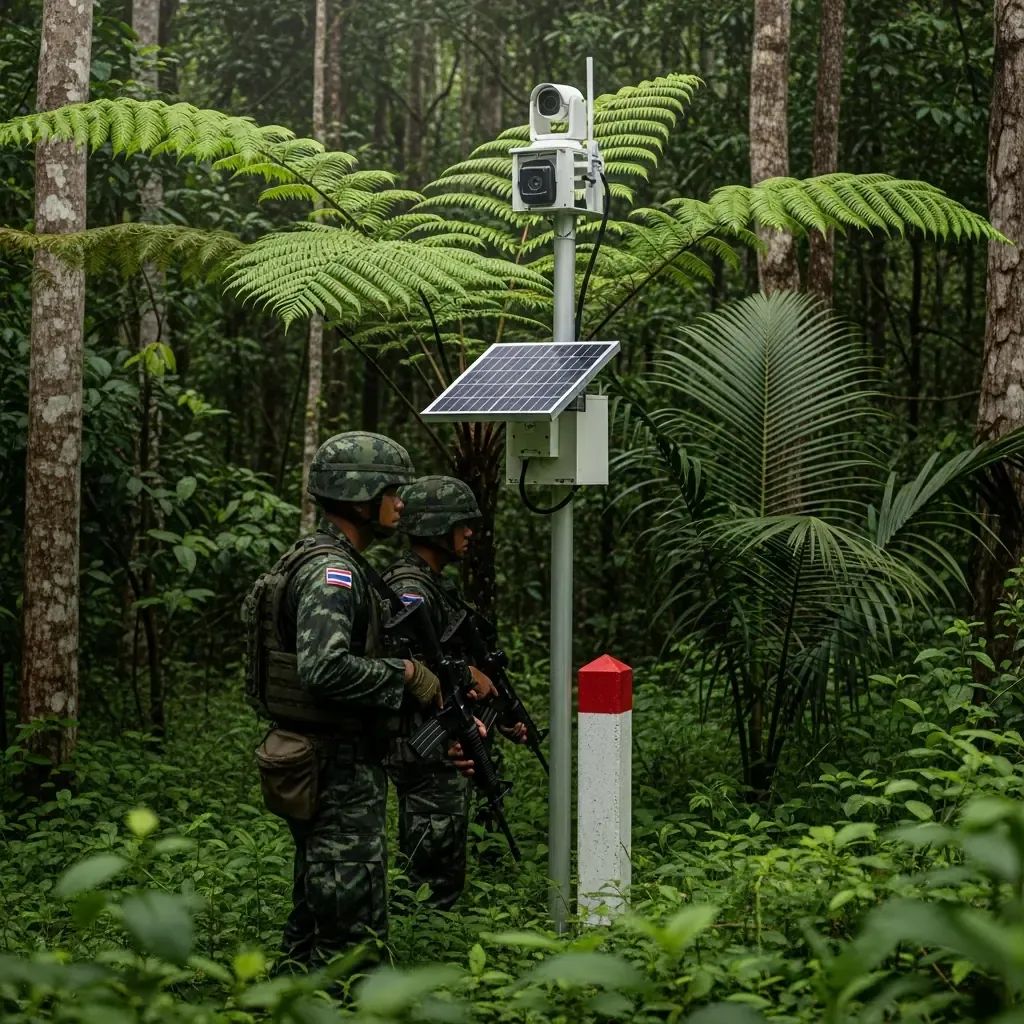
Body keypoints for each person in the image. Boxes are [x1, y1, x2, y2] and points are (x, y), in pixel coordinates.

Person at [244, 431, 444, 966]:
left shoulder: (322, 559)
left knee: (316, 912)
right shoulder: (333, 573)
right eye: (393, 491)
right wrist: (403, 673)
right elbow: (323, 668)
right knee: (351, 937)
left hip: (326, 760)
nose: (402, 504)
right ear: (361, 496)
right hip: (335, 768)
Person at [383, 475, 523, 909]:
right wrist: (469, 675)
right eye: (461, 523)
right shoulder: (410, 588)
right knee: (430, 877)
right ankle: (422, 946)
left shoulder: (431, 583)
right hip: (424, 742)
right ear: (436, 527)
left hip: (442, 736)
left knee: (444, 863)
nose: (470, 533)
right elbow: (407, 661)